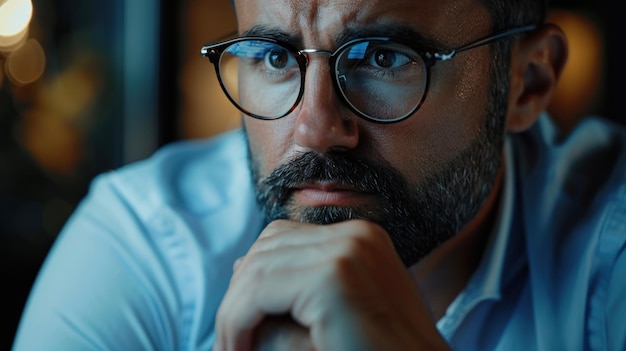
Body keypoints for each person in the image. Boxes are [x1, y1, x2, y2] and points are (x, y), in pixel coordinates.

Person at [11, 0, 626, 349]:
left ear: (528, 80)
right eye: (275, 57)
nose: (315, 129)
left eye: (385, 58)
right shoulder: (146, 245)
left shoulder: (610, 255)